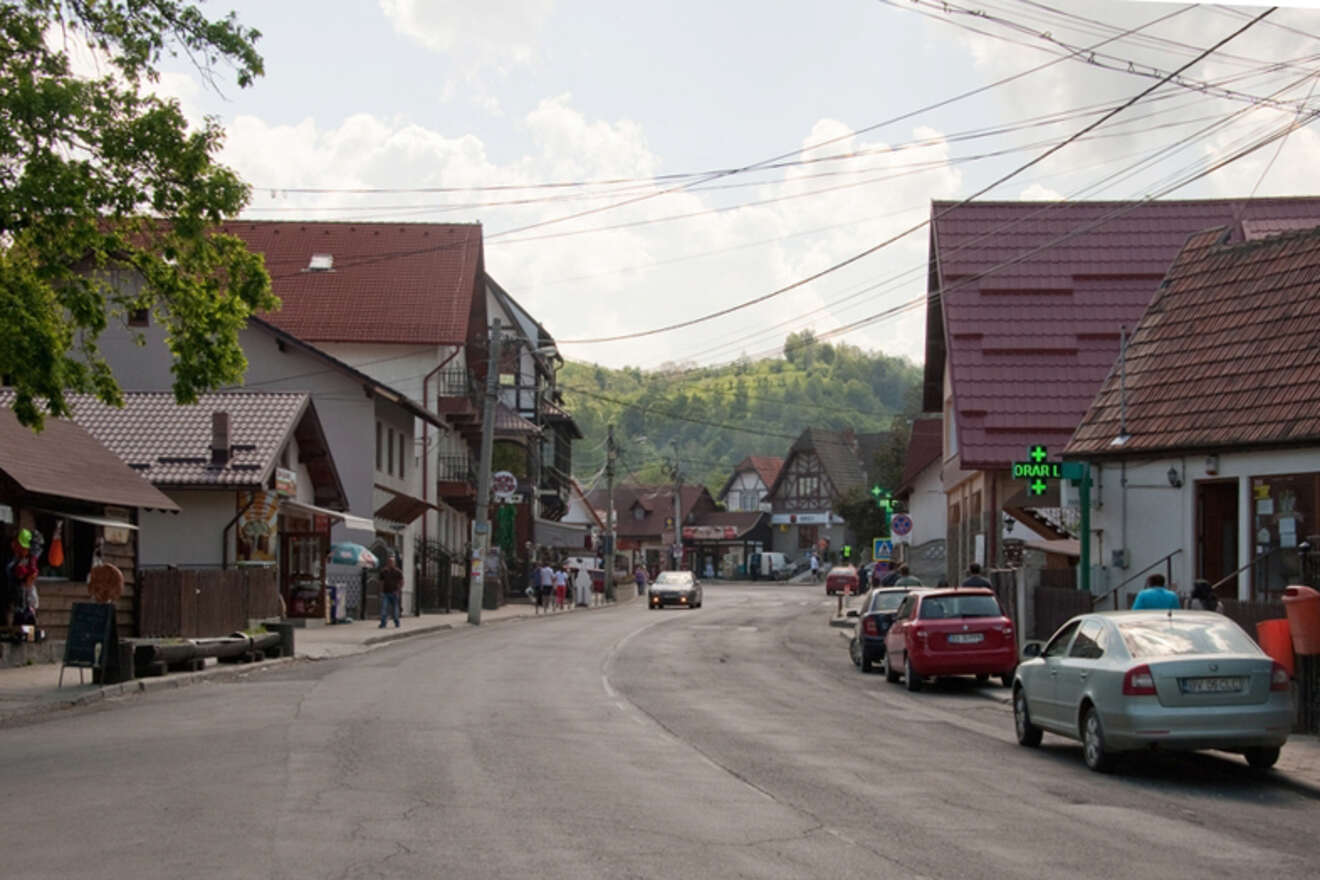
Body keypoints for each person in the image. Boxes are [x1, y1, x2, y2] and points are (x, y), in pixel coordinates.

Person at [378, 553, 403, 628]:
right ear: (387, 563)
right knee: (384, 608)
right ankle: (383, 623)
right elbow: (381, 582)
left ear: (394, 563)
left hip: (394, 593)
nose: (390, 563)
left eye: (392, 562)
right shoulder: (383, 571)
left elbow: (401, 582)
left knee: (395, 610)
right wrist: (381, 591)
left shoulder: (398, 572)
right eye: (389, 562)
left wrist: (398, 591)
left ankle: (396, 622)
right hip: (385, 593)